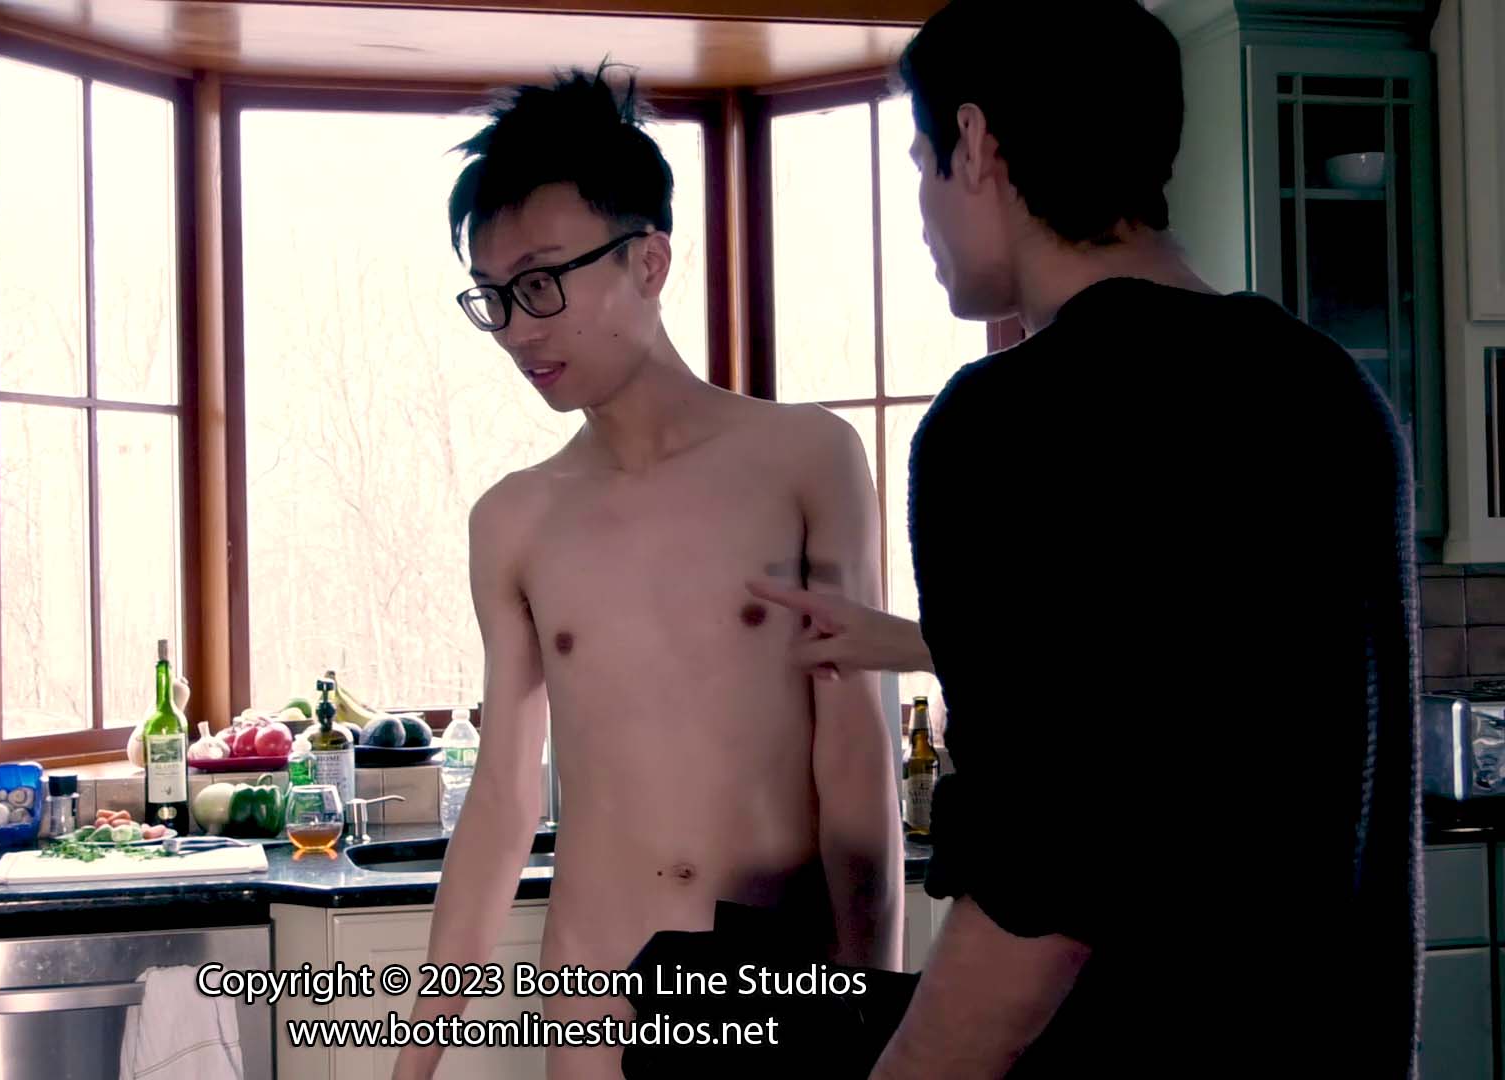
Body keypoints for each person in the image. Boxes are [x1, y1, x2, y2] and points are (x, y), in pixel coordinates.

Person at [746, 1, 1423, 1076]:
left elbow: (1040, 890)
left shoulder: (1009, 424)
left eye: (921, 161)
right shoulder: (1332, 392)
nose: (921, 206)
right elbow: (1198, 696)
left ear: (976, 142)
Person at [389, 63, 904, 1080]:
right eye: (494, 296)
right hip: (595, 999)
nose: (518, 328)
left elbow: (854, 762)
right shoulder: (515, 520)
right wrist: (418, 1060)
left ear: (650, 261)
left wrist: (868, 1011)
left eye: (542, 283)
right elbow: (503, 801)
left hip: (772, 990)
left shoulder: (806, 458)